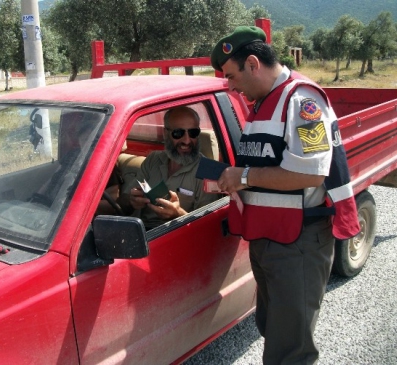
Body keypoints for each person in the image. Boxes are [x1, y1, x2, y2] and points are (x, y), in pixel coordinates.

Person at [210, 26, 360, 364]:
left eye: (232, 75)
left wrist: (243, 176)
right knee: (273, 327)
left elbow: (311, 172)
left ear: (252, 63)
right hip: (270, 236)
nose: (231, 86)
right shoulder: (263, 101)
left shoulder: (302, 100)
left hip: (299, 241)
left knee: (290, 347)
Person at [123, 106, 218, 229]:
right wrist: (131, 201)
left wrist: (177, 214)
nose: (187, 141)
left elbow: (208, 229)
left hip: (177, 240)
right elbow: (123, 204)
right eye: (178, 133)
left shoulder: (209, 171)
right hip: (140, 232)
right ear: (165, 133)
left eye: (193, 133)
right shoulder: (153, 159)